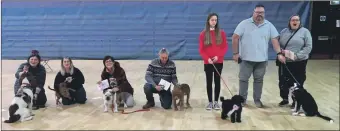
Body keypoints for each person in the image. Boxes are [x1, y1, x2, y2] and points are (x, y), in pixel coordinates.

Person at [232, 4, 285, 108]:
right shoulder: (244, 23)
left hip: (261, 60)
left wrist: (279, 53)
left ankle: (257, 100)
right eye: (257, 12)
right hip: (245, 59)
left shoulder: (269, 25)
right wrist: (235, 53)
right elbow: (235, 38)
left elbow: (274, 40)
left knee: (259, 80)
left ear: (264, 14)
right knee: (243, 80)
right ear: (253, 12)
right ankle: (242, 100)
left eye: (261, 13)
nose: (259, 14)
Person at [277, 14, 312, 107]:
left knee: (297, 82)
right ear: (289, 22)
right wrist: (280, 54)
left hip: (299, 62)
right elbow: (278, 45)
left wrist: (296, 56)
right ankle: (284, 98)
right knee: (283, 81)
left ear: (300, 22)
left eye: (297, 20)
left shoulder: (305, 32)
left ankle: (296, 100)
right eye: (293, 20)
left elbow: (308, 47)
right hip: (285, 61)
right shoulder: (284, 31)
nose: (295, 22)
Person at [198, 12, 228, 110]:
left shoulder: (221, 33)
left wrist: (217, 56)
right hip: (208, 63)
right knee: (209, 82)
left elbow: (224, 47)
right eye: (212, 20)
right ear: (208, 21)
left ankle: (216, 102)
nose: (214, 22)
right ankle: (210, 102)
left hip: (218, 62)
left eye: (215, 20)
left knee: (217, 82)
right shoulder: (203, 34)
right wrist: (207, 58)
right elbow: (201, 50)